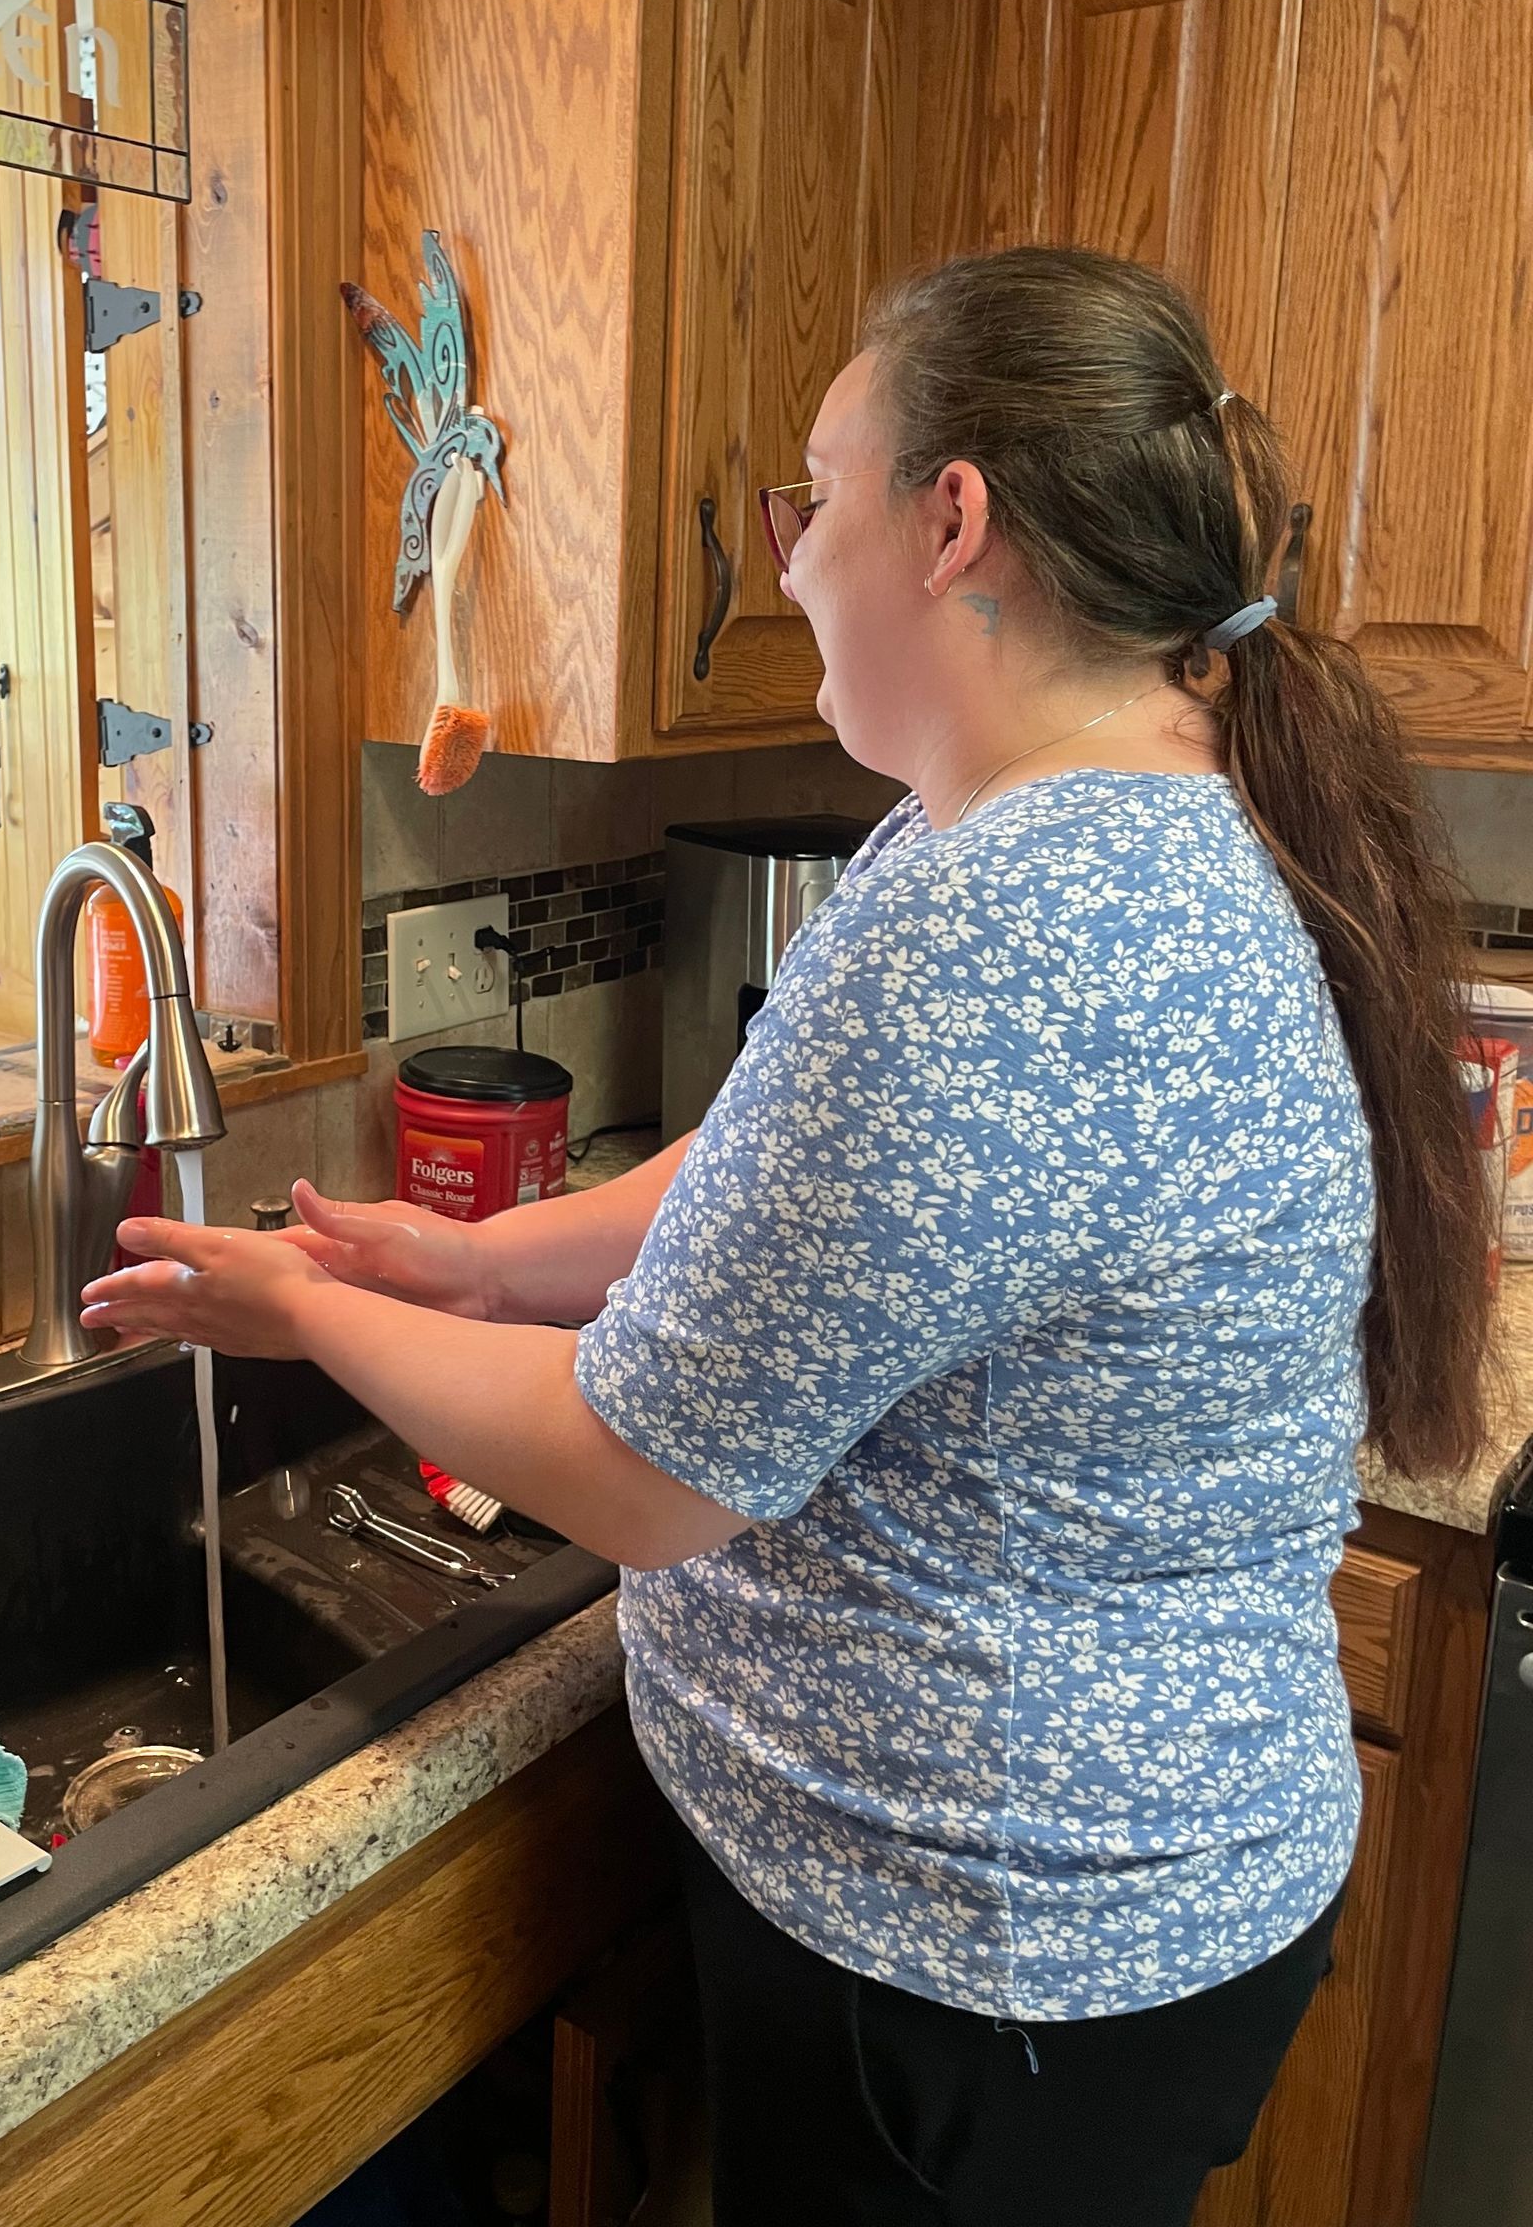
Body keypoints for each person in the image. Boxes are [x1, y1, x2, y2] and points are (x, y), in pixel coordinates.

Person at [81, 246, 1491, 2226]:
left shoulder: (994, 926)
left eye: (810, 498)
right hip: (1115, 1911)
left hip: (985, 1964)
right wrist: (472, 1262)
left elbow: (641, 1475)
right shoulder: (1081, 821)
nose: (788, 559)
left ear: (952, 519)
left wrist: (308, 1304)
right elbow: (787, 1174)